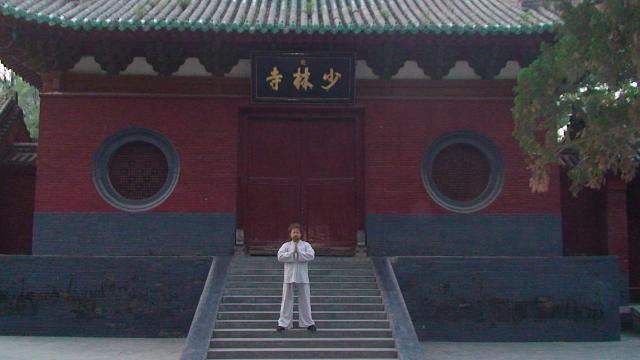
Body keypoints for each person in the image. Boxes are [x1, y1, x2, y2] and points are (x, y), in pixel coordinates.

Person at [276, 223, 317, 331]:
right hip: (289, 275)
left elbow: (311, 255)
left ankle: (308, 322)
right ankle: (283, 323)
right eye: (293, 232)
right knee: (286, 299)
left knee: (305, 299)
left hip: (302, 276)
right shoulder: (286, 246)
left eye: (297, 232)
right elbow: (280, 256)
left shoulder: (306, 245)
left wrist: (299, 253)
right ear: (290, 234)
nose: (295, 234)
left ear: (301, 234)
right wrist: (291, 254)